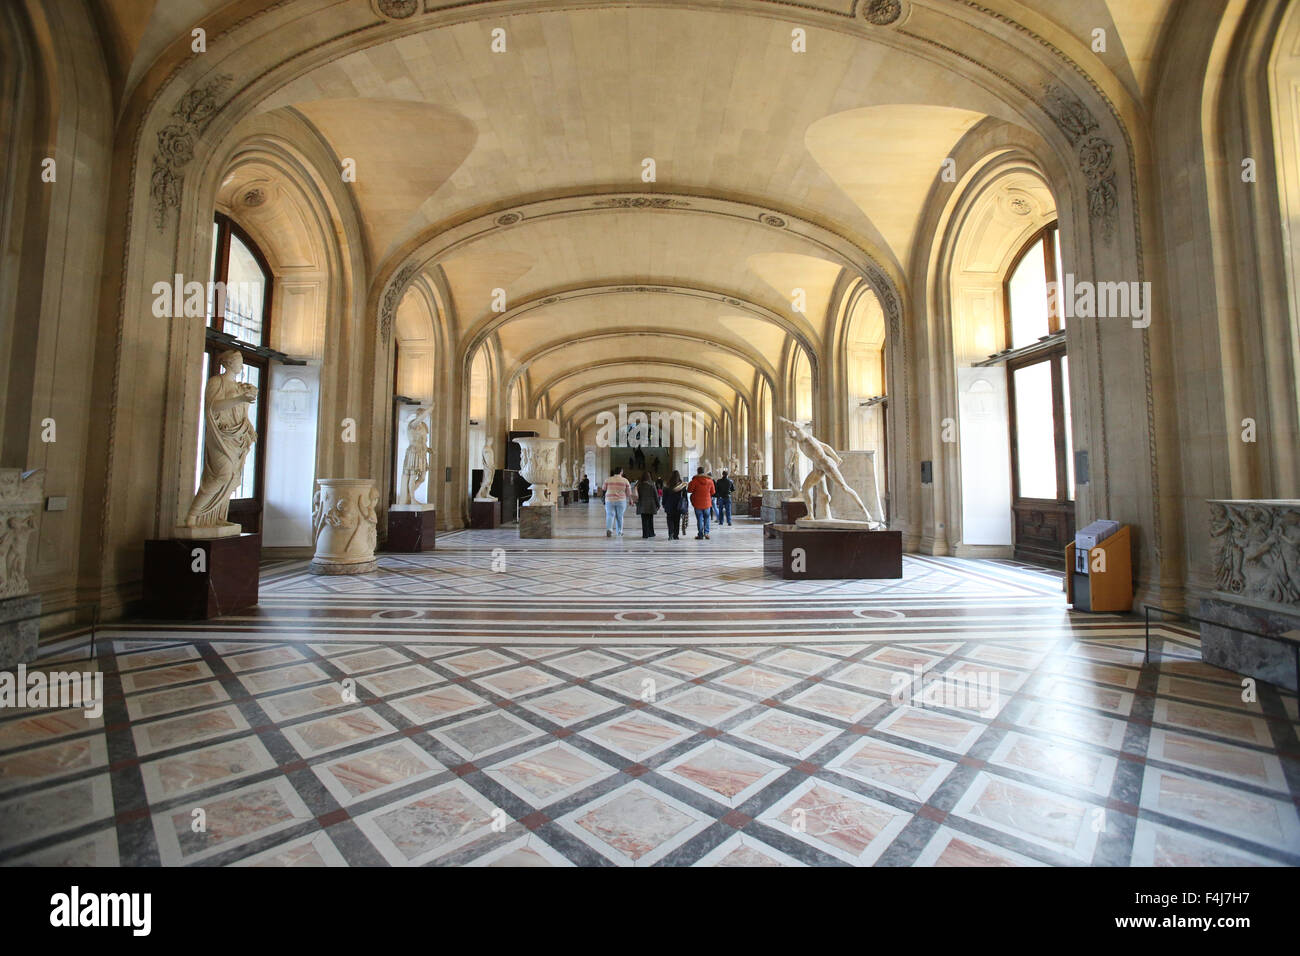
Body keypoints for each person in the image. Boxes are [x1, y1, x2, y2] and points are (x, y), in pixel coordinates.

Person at [687, 466, 716, 540]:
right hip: (707, 503)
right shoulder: (710, 481)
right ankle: (706, 533)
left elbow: (689, 490)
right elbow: (713, 492)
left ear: (697, 472)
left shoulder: (694, 481)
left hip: (697, 503)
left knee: (699, 519)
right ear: (704, 472)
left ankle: (700, 534)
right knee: (707, 518)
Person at [603, 467, 631, 537]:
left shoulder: (608, 479)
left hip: (609, 500)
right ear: (621, 472)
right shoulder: (625, 480)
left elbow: (603, 488)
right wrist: (630, 499)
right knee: (620, 516)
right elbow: (629, 493)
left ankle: (609, 529)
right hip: (621, 500)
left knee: (610, 515)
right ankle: (620, 531)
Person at [662, 470, 687, 540]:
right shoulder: (682, 486)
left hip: (669, 505)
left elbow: (664, 496)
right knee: (677, 521)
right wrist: (686, 506)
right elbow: (685, 497)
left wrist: (663, 504)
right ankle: (676, 535)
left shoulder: (667, 485)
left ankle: (670, 534)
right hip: (678, 506)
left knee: (670, 520)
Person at [635, 471, 659, 538]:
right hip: (651, 505)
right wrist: (658, 504)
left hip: (642, 505)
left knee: (644, 520)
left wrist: (637, 504)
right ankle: (651, 533)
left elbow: (636, 496)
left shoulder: (639, 485)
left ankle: (645, 534)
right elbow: (656, 495)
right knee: (650, 519)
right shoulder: (652, 484)